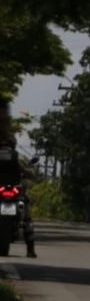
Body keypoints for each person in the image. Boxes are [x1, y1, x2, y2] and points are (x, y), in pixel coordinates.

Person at [0, 98, 36, 258]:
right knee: (26, 212)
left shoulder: (11, 145)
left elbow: (21, 167)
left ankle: (30, 246)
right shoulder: (12, 149)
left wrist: (27, 173)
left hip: (12, 187)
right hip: (12, 186)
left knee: (25, 208)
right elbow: (22, 168)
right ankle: (30, 247)